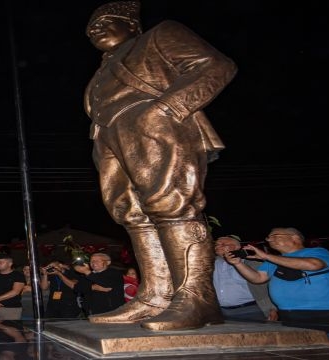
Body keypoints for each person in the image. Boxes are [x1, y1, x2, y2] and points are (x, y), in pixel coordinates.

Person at [83, 1, 237, 330]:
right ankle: (156, 296)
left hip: (156, 123)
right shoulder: (101, 69)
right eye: (91, 27)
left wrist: (166, 109)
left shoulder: (160, 34)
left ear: (132, 25)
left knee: (173, 204)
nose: (96, 29)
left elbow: (216, 66)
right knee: (131, 213)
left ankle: (197, 298)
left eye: (107, 21)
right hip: (109, 135)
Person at [227, 227, 329, 358]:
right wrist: (238, 264)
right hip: (290, 315)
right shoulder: (274, 259)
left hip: (326, 314)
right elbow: (258, 278)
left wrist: (266, 256)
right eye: (269, 237)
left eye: (275, 235)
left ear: (295, 237)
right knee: (306, 353)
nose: (269, 239)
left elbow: (314, 265)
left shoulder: (317, 251)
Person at [213, 235, 277, 322]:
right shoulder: (210, 264)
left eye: (223, 244)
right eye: (216, 245)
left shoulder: (253, 262)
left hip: (251, 310)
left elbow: (269, 285)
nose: (218, 246)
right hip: (220, 312)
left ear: (237, 246)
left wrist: (273, 308)